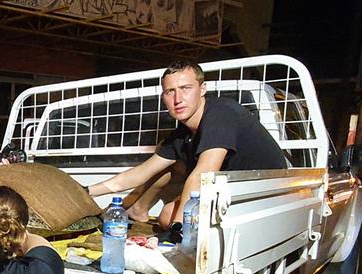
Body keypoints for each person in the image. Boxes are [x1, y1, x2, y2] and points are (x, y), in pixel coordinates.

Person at [86, 60, 287, 235]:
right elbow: (141, 172)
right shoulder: (181, 135)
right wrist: (86, 191)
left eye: (186, 88)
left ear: (203, 89)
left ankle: (162, 219)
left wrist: (177, 230)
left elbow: (202, 175)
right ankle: (139, 209)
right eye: (169, 91)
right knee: (165, 175)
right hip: (229, 191)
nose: (177, 99)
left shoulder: (220, 114)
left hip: (263, 196)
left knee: (168, 217)